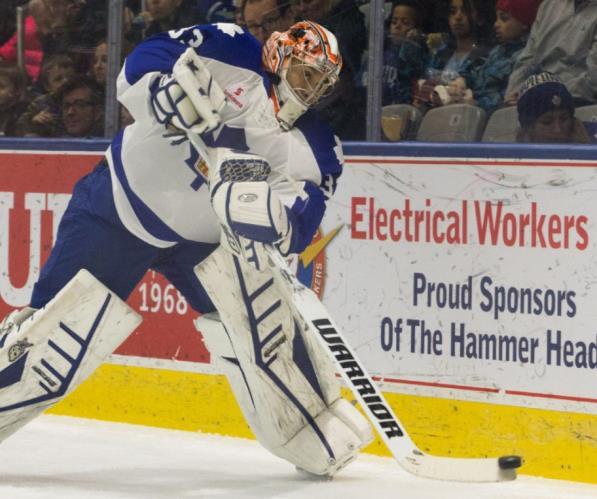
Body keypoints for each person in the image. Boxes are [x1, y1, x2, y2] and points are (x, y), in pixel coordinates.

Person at [0, 21, 373, 477]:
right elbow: (144, 57)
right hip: (117, 210)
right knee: (48, 338)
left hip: (204, 249)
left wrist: (264, 214)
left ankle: (309, 422)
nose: (312, 89)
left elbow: (300, 223)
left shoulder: (319, 146)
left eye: (322, 82)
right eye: (306, 72)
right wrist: (162, 89)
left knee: (264, 326)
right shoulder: (230, 47)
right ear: (279, 56)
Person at [505, 0, 597, 106]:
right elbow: (528, 57)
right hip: (532, 95)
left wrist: (545, 93)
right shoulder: (548, 5)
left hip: (577, 100)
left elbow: (593, 81)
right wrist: (515, 90)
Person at [455, 0, 541, 113]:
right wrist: (463, 80)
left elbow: (507, 100)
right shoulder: (497, 51)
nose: (496, 24)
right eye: (497, 19)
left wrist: (474, 103)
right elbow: (478, 73)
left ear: (524, 23)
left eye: (504, 19)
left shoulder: (526, 58)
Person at [414, 0, 489, 109]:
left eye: (465, 11)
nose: (457, 17)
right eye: (453, 11)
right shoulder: (440, 55)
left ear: (479, 17)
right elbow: (423, 87)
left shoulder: (486, 57)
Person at [516, 72, 593, 144]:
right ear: (529, 127)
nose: (558, 130)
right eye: (547, 122)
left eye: (564, 119)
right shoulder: (513, 156)